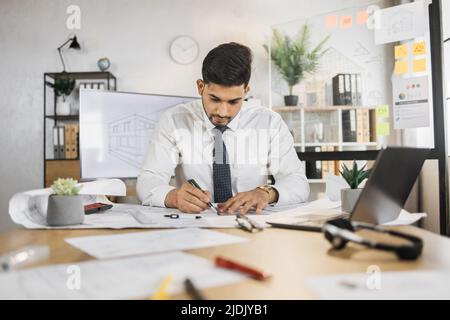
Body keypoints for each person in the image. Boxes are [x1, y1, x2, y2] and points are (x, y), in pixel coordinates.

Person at [137, 42, 309, 214]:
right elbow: (148, 180)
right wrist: (173, 197)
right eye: (214, 99)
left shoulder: (269, 122)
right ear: (200, 87)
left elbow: (298, 182)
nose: (222, 112)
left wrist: (266, 193)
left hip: (251, 223)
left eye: (234, 102)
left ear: (246, 91)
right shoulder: (174, 120)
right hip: (194, 225)